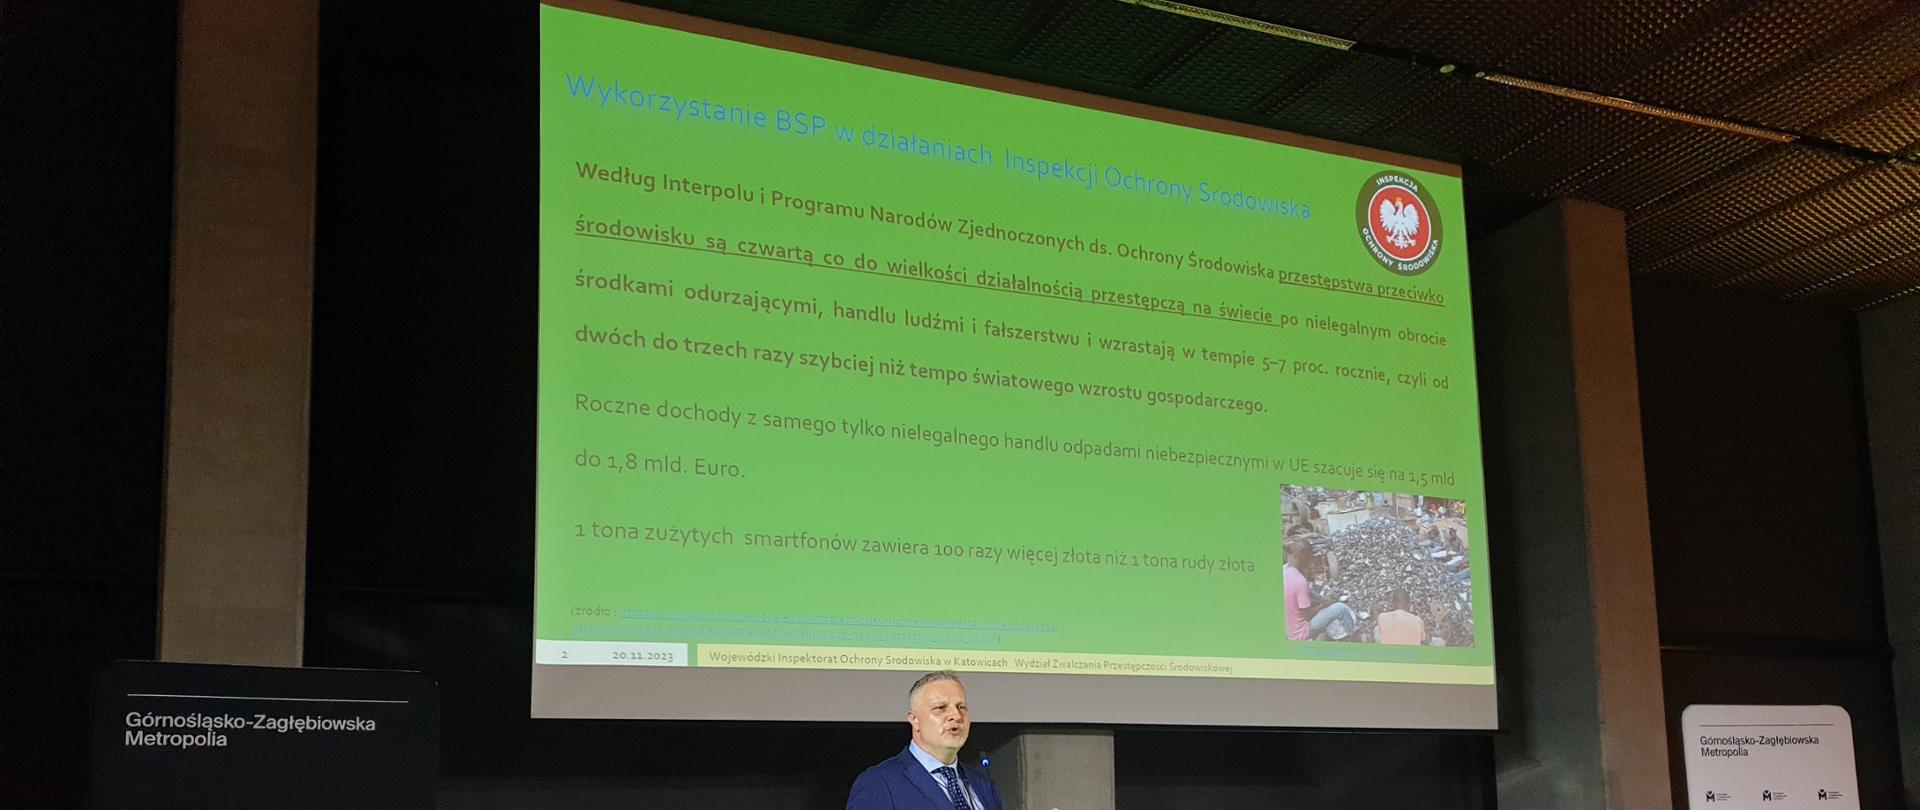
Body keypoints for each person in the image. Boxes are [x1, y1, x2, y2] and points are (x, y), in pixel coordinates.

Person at [847, 671, 1003, 810]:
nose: (956, 715)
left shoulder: (984, 784)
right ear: (914, 720)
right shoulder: (879, 783)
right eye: (941, 708)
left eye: (961, 707)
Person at [1284, 542, 1357, 641]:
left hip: (1286, 625)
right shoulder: (1300, 581)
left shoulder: (1284, 570)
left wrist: (1321, 599)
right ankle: (1351, 636)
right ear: (1303, 557)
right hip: (1299, 632)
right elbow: (1308, 615)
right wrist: (1323, 605)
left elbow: (1306, 591)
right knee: (1341, 608)